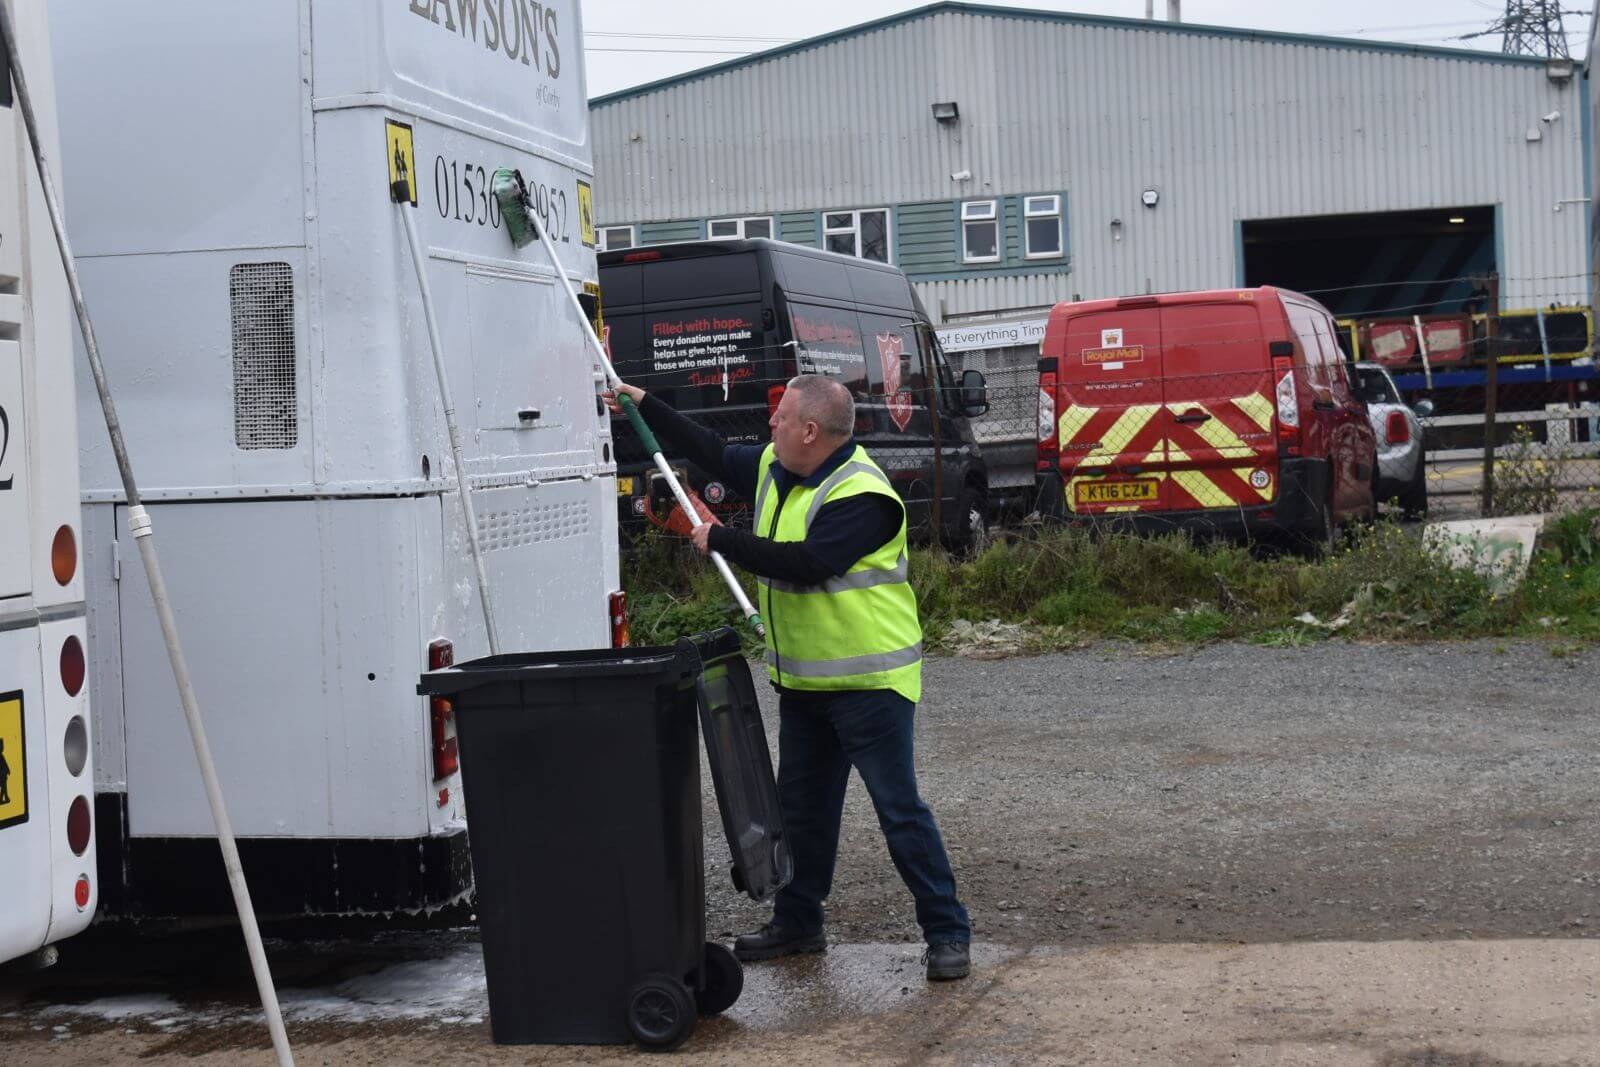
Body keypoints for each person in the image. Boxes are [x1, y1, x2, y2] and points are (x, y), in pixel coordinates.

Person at [605, 374, 972, 981]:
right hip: (805, 687)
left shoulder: (864, 495)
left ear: (810, 430)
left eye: (780, 419)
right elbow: (711, 450)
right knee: (801, 812)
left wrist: (720, 538)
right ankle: (799, 922)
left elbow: (808, 566)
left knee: (899, 811)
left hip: (871, 687)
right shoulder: (780, 466)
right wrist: (642, 402)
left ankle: (947, 931)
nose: (769, 427)